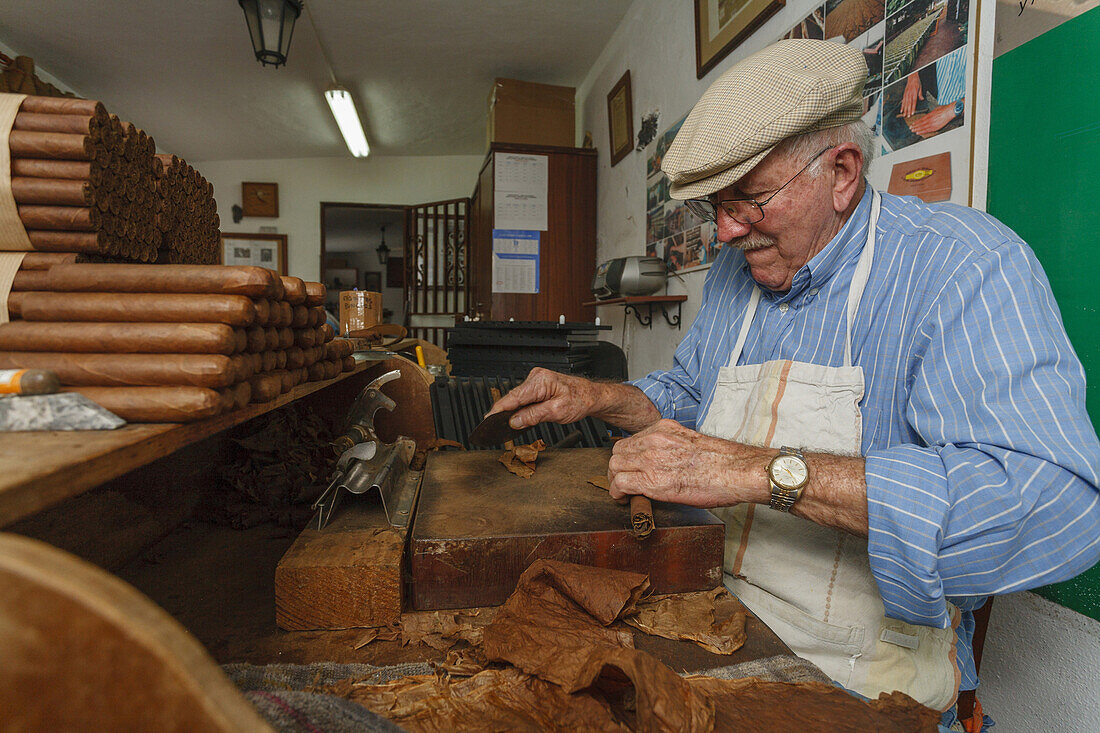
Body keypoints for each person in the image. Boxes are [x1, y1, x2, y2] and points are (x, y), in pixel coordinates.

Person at [488, 39, 1100, 728]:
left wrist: (764, 471)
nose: (724, 230)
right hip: (712, 622)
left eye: (749, 200)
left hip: (865, 685)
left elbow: (1063, 506)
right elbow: (692, 394)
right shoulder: (735, 274)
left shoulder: (965, 268)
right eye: (715, 205)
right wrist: (601, 397)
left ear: (841, 172)